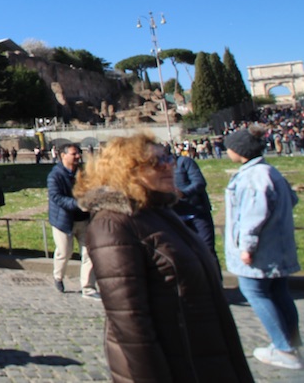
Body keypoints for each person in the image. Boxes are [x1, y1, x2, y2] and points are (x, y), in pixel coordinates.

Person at [76, 133, 253, 382]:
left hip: (200, 353)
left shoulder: (160, 210)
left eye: (167, 157)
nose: (169, 165)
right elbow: (130, 323)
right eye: (156, 162)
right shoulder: (113, 224)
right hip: (174, 361)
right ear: (127, 170)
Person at [224, 125, 302, 370]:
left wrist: (247, 247)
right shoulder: (269, 171)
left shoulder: (252, 177)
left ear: (239, 151)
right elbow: (292, 198)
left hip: (260, 252)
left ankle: (284, 348)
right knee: (279, 293)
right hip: (276, 246)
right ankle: (291, 343)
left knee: (255, 293)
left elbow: (252, 215)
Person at [47, 143, 98, 299]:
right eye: (74, 154)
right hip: (63, 221)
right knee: (64, 251)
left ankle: (88, 288)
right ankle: (58, 277)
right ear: (63, 155)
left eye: (78, 154)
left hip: (84, 220)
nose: (77, 156)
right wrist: (78, 204)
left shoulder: (83, 173)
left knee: (89, 252)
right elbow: (57, 198)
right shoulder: (54, 176)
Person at [173, 152, 219, 274]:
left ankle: (217, 284)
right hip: (176, 215)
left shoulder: (184, 162)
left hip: (197, 213)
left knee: (207, 250)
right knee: (183, 253)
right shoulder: (155, 168)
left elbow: (199, 182)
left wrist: (183, 193)